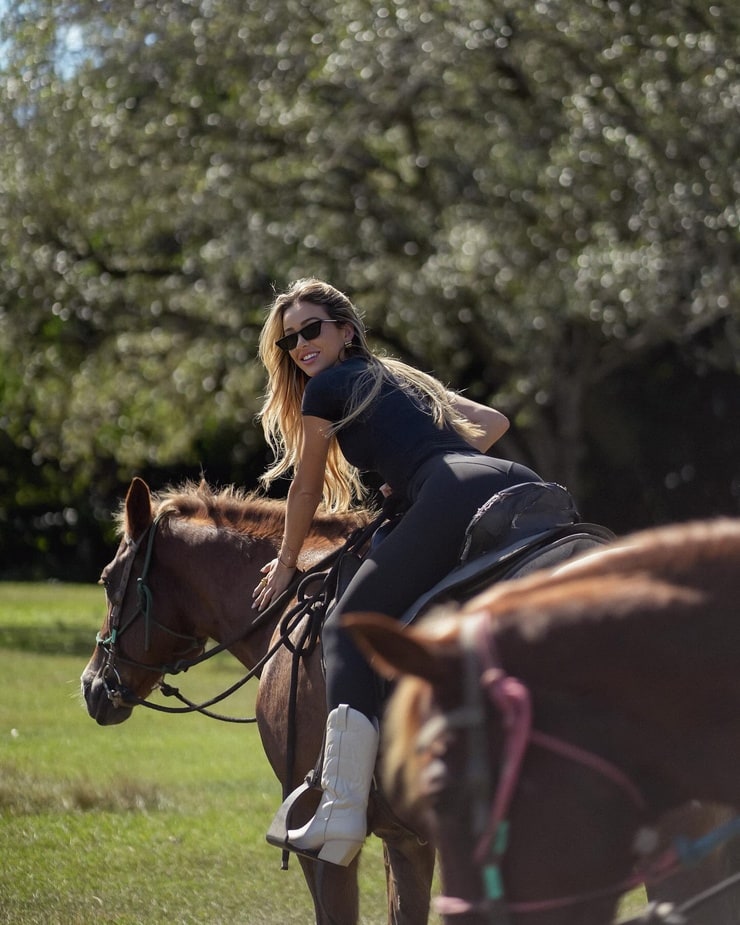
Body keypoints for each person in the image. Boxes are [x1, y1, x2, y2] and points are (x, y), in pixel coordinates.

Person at [253, 278, 543, 867]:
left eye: (313, 330)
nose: (302, 345)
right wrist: (411, 471)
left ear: (346, 331)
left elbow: (307, 485)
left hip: (450, 494)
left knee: (346, 629)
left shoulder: (330, 386)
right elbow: (492, 422)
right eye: (290, 341)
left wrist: (286, 563)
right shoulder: (401, 379)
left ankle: (340, 810)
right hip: (510, 480)